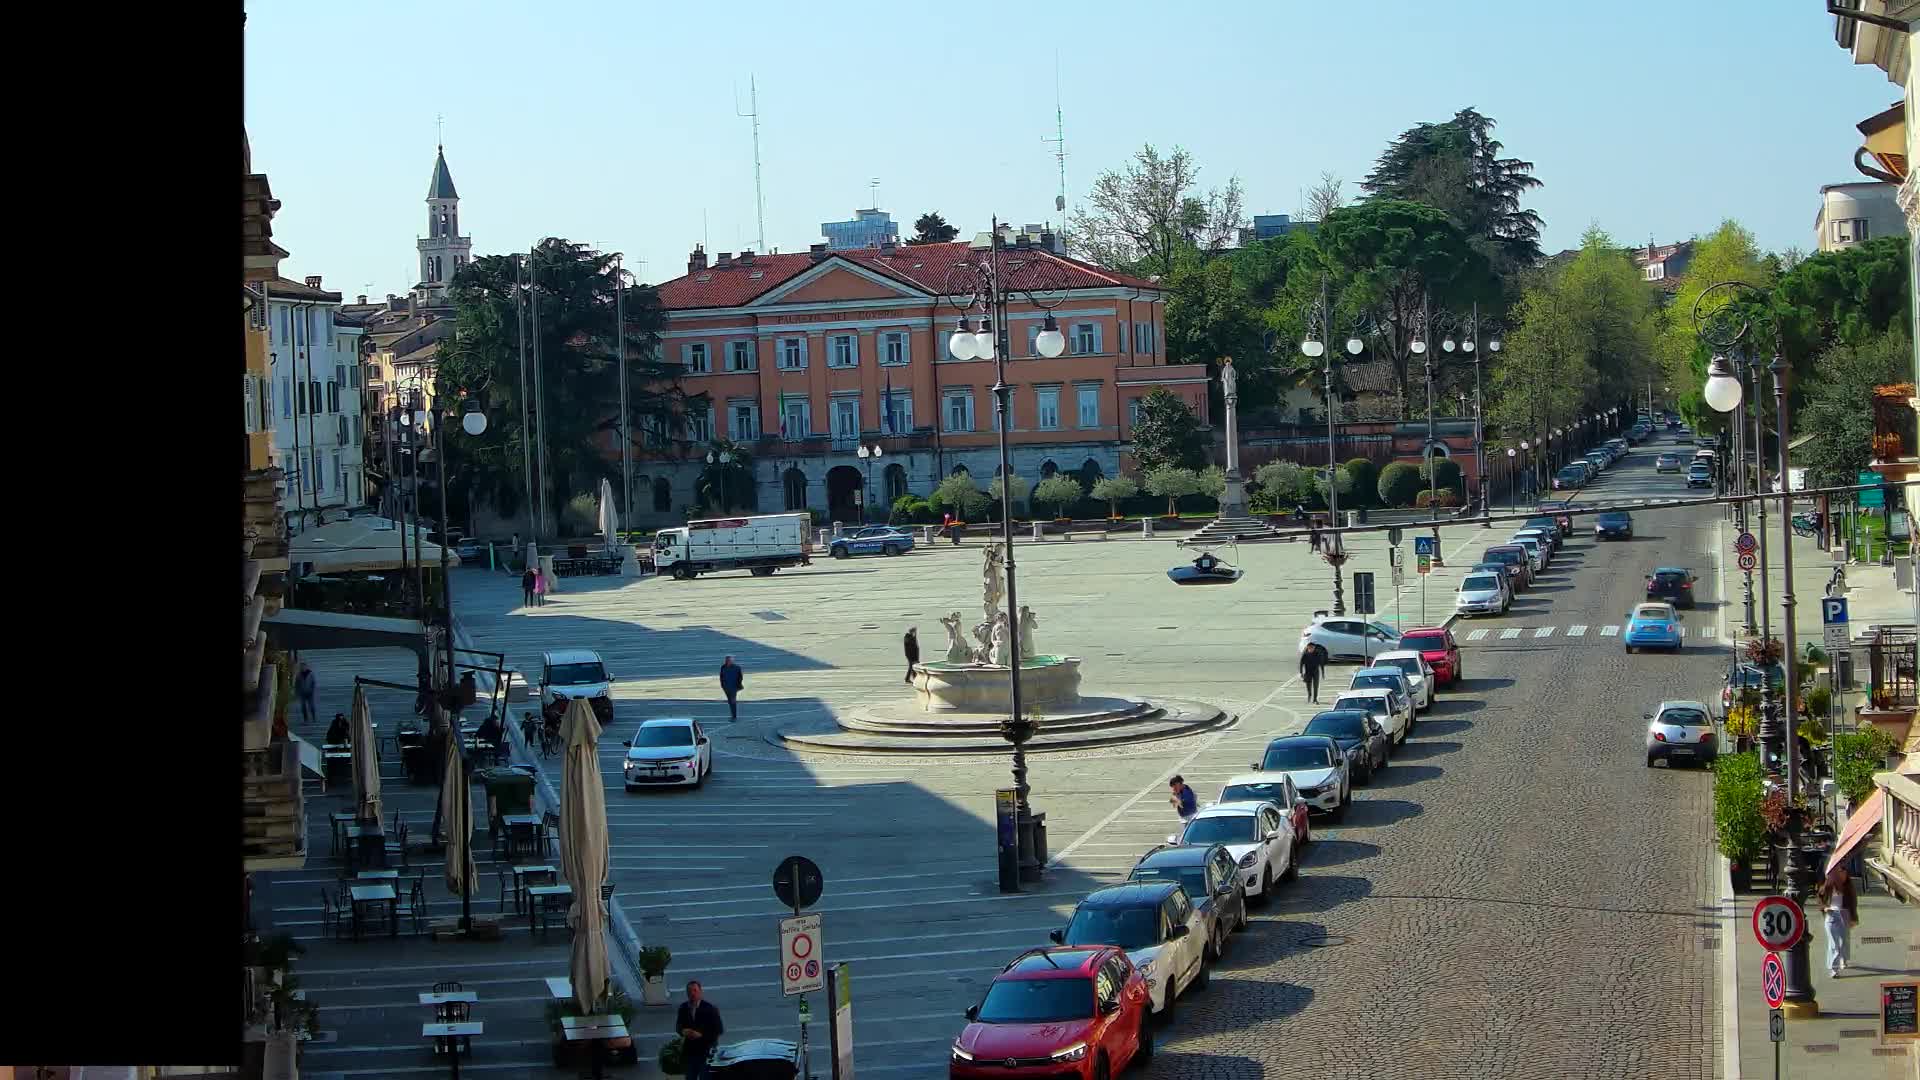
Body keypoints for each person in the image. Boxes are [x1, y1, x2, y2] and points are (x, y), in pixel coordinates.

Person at [676, 980, 724, 1080]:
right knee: (690, 1077)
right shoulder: (683, 1008)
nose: (692, 993)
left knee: (705, 1077)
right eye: (689, 991)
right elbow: (678, 1026)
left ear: (700, 992)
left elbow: (719, 1030)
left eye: (695, 990)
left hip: (705, 1052)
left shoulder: (710, 1009)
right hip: (690, 1052)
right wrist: (682, 1031)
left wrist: (701, 1035)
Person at [1819, 865, 1859, 977]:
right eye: (1839, 872)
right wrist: (1824, 908)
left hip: (1844, 914)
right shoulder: (1829, 885)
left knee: (1844, 941)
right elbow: (1820, 897)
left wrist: (1854, 918)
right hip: (1831, 915)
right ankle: (1834, 968)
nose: (1841, 874)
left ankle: (1844, 959)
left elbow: (1853, 904)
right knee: (1833, 943)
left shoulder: (1848, 887)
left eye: (1843, 872)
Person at [719, 655, 744, 721]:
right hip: (726, 687)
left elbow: (740, 677)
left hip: (734, 687)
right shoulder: (723, 667)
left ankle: (734, 717)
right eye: (727, 660)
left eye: (730, 660)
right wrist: (722, 685)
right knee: (730, 701)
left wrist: (738, 685)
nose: (729, 662)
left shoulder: (737, 668)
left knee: (733, 702)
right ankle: (733, 715)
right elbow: (721, 676)